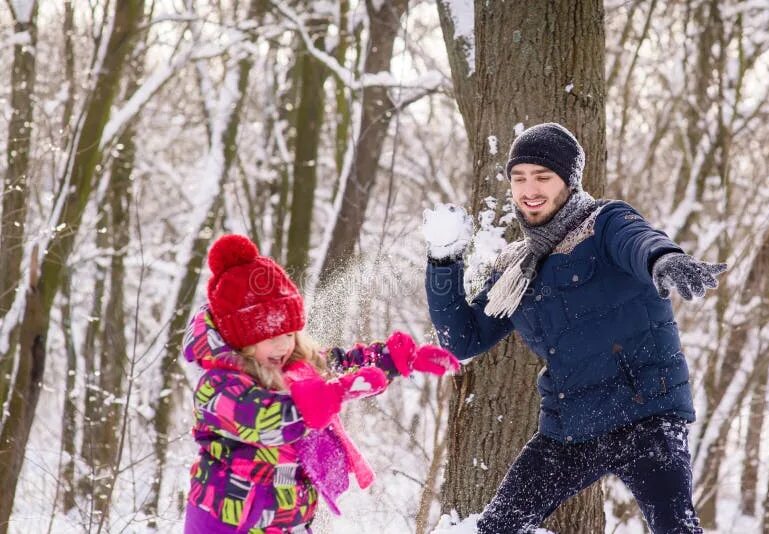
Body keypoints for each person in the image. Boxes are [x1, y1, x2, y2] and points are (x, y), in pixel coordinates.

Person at [422, 123, 727, 533]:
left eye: (543, 177)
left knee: (676, 527)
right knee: (495, 529)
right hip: (570, 429)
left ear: (569, 180)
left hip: (646, 417)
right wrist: (443, 262)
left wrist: (664, 260)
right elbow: (462, 341)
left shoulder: (604, 223)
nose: (529, 189)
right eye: (519, 178)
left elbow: (638, 241)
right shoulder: (517, 269)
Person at [183, 234, 459, 533]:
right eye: (271, 337)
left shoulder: (295, 366)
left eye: (289, 334)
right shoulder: (218, 386)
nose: (282, 346)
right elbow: (265, 420)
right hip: (230, 523)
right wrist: (330, 396)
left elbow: (340, 364)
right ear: (242, 339)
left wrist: (394, 359)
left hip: (288, 522)